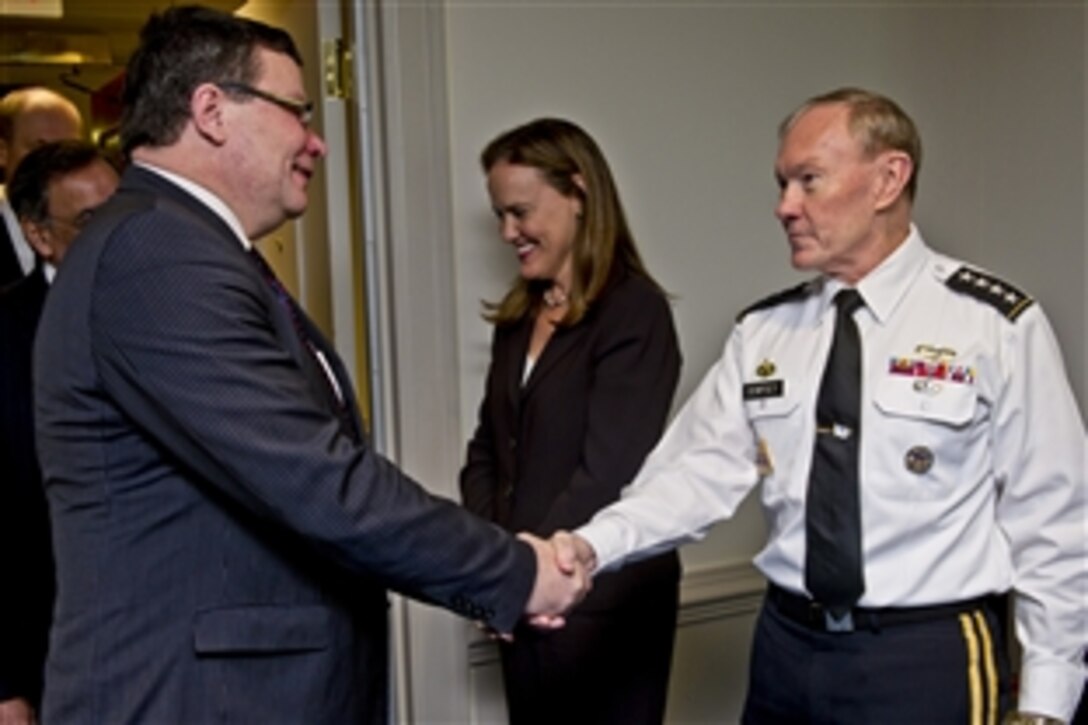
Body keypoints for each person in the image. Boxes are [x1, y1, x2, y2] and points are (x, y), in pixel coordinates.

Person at [31, 6, 587, 723]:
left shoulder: (187, 245)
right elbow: (317, 477)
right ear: (211, 110)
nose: (316, 141)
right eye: (297, 110)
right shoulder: (155, 253)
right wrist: (516, 572)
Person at [555, 88, 1086, 724]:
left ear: (889, 178)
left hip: (925, 656)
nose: (784, 206)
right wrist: (590, 546)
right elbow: (692, 476)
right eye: (782, 183)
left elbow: (1055, 521)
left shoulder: (993, 326)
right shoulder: (765, 333)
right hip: (786, 647)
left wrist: (1047, 704)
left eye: (808, 180)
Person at [460, 118, 682, 724]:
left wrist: (529, 574)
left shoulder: (634, 314)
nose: (508, 232)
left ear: (578, 194)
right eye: (500, 215)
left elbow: (607, 472)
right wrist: (496, 566)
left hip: (603, 603)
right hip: (522, 596)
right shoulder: (518, 317)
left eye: (520, 212)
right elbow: (486, 452)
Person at [0, 140, 119, 725]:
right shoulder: (3, 337)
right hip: (49, 658)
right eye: (93, 222)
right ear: (40, 235)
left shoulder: (173, 313)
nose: (117, 234)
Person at [0, 88, 83, 287]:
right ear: (2, 152)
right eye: (40, 148)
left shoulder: (99, 229)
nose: (56, 162)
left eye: (68, 149)